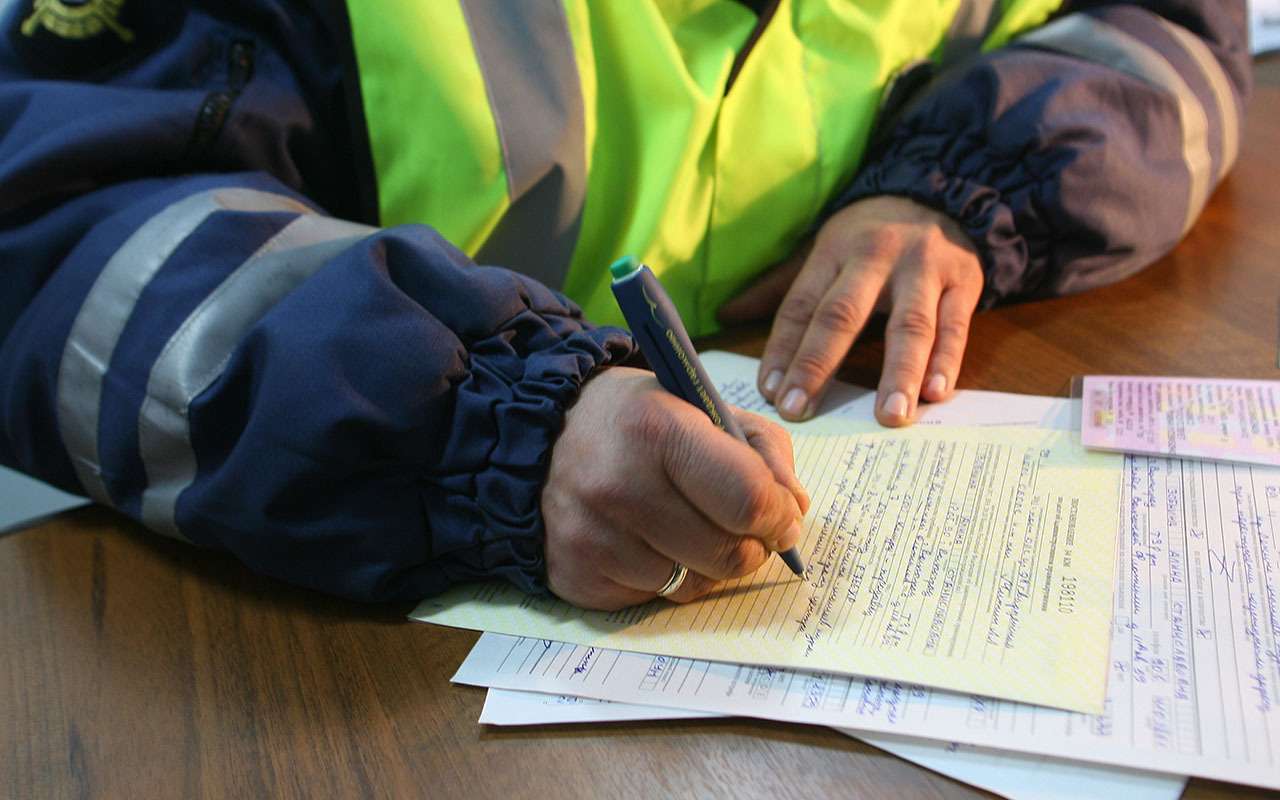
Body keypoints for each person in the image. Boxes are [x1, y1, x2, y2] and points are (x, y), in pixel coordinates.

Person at [0, 1, 1249, 609]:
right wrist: (495, 427)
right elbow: (58, 239)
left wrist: (953, 186)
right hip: (389, 637)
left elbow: (1170, 29)